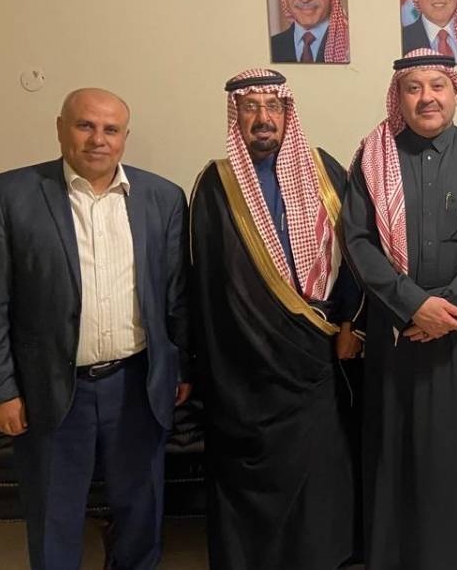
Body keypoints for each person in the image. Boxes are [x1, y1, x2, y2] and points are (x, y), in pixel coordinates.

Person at [0, 88, 191, 569]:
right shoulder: (10, 195)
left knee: (141, 510)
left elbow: (176, 295)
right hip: (51, 388)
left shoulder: (163, 197)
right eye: (85, 125)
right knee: (54, 516)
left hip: (137, 384)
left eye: (111, 129)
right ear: (60, 128)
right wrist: (1, 389)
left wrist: (180, 368)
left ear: (125, 137)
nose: (98, 139)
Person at [342, 49, 457, 569]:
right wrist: (413, 305)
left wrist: (448, 307)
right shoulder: (373, 161)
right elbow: (357, 241)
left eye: (437, 86)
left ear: (455, 92)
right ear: (398, 96)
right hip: (398, 335)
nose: (426, 98)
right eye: (413, 88)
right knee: (398, 452)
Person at [190, 69, 362, 569]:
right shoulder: (216, 184)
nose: (263, 118)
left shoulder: (324, 170)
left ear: (288, 113)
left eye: (273, 106)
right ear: (236, 116)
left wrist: (349, 324)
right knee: (253, 476)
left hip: (318, 353)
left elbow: (358, 253)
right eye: (250, 107)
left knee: (320, 468)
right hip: (246, 367)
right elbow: (206, 286)